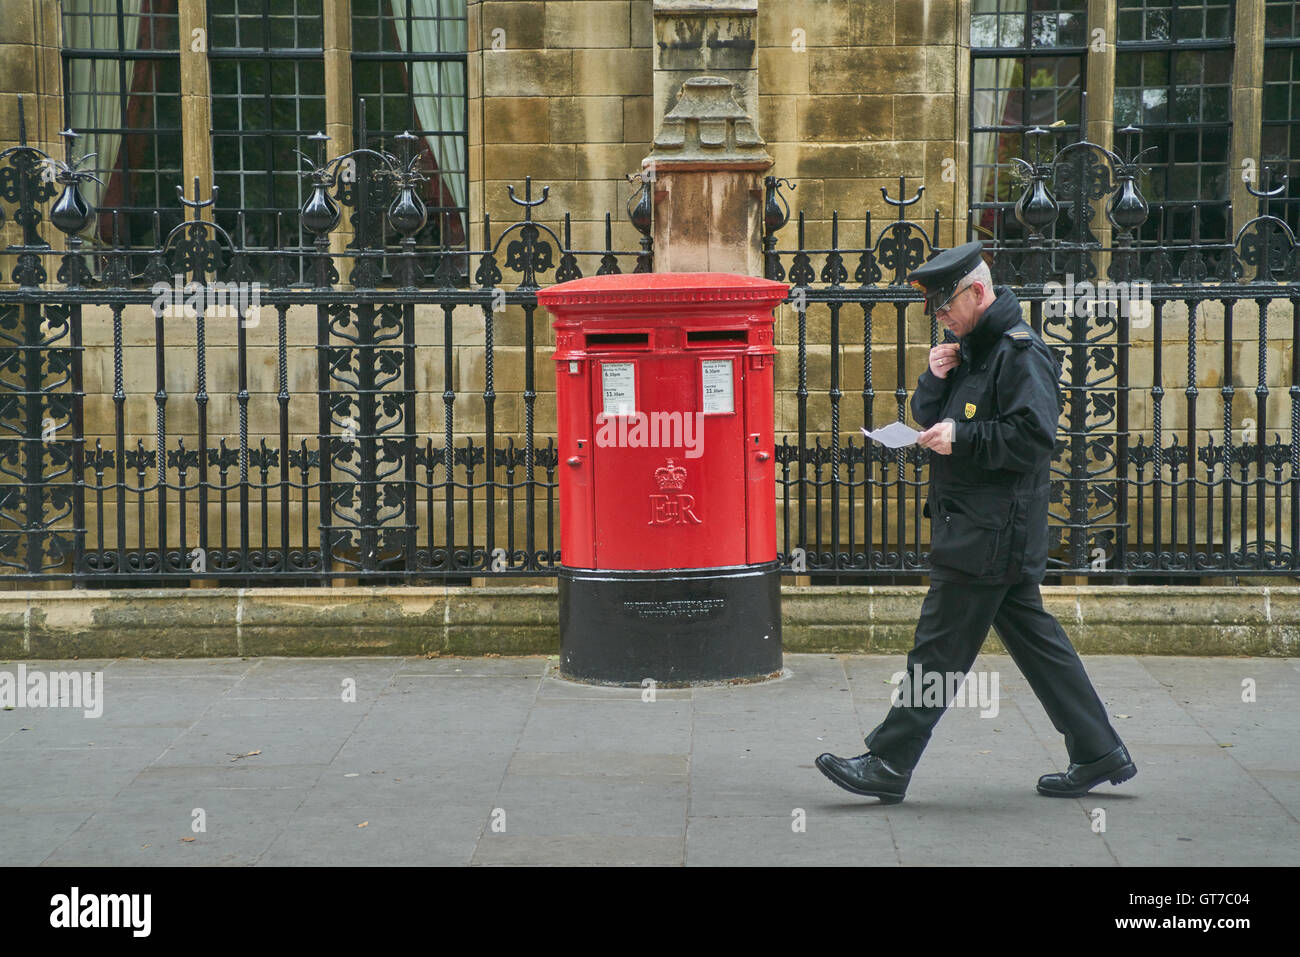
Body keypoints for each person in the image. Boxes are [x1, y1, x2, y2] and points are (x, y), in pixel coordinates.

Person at [815, 240, 1135, 804]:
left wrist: (962, 437)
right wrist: (937, 379)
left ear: (978, 292)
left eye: (945, 308)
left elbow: (1034, 438)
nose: (940, 319)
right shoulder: (975, 349)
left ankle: (890, 761)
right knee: (1037, 642)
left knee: (937, 648)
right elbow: (932, 418)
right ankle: (1097, 749)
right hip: (980, 527)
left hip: (989, 534)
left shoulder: (1019, 353)